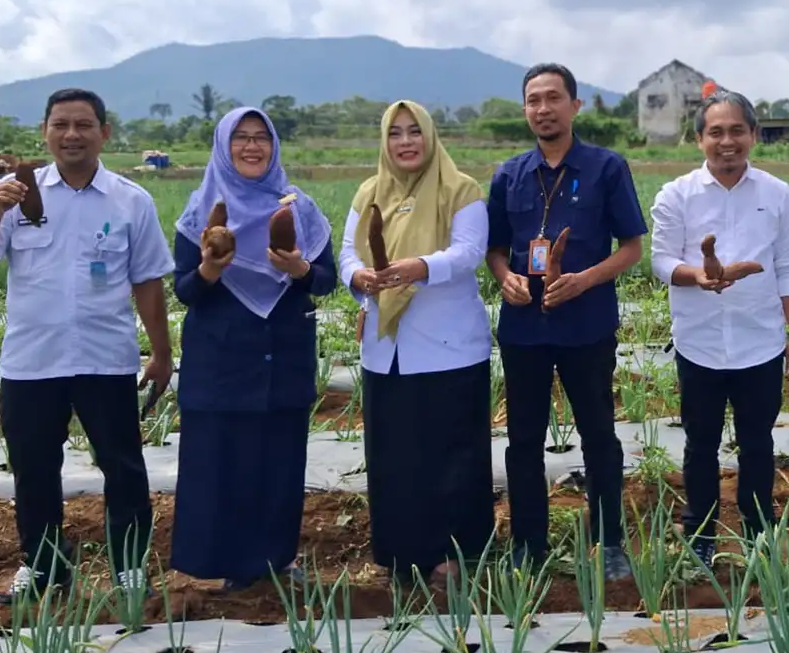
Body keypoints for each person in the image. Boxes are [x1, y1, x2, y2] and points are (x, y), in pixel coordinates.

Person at [0, 88, 175, 604]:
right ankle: (44, 566)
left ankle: (128, 569)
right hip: (32, 361)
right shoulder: (13, 195)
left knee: (122, 466)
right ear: (45, 132)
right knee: (33, 469)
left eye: (83, 125)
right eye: (60, 125)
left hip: (106, 358)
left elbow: (147, 282)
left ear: (104, 133)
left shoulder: (130, 200)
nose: (71, 134)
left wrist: (162, 354)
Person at [486, 63, 648, 580]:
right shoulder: (509, 175)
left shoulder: (606, 168)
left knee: (599, 434)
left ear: (574, 106)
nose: (543, 109)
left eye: (553, 98)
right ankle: (527, 543)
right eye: (534, 100)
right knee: (523, 440)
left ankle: (609, 541)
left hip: (587, 325)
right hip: (524, 329)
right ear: (524, 110)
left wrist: (585, 280)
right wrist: (505, 277)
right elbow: (494, 249)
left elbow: (631, 248)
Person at [170, 107, 336, 591]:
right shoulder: (202, 212)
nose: (251, 146)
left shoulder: (298, 208)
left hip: (283, 353)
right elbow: (184, 289)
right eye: (240, 137)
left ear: (274, 145)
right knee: (223, 459)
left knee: (279, 461)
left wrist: (299, 269)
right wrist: (210, 269)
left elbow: (325, 279)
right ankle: (229, 566)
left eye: (261, 137)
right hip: (221, 358)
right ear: (223, 147)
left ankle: (277, 559)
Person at [339, 99, 495, 587]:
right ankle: (400, 554)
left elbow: (468, 253)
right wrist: (359, 277)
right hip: (387, 350)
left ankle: (452, 555)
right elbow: (347, 253)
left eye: (414, 131)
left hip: (448, 348)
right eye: (395, 133)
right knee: (395, 456)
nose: (405, 141)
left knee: (452, 454)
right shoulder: (369, 193)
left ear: (430, 136)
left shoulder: (460, 189)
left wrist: (419, 267)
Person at [649, 88, 789, 567]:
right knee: (701, 442)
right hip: (699, 341)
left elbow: (788, 266)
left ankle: (757, 523)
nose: (727, 141)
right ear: (699, 139)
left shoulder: (776, 193)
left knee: (758, 440)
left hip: (760, 341)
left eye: (737, 130)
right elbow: (660, 261)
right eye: (716, 132)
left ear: (754, 135)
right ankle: (701, 528)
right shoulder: (676, 195)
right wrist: (697, 275)